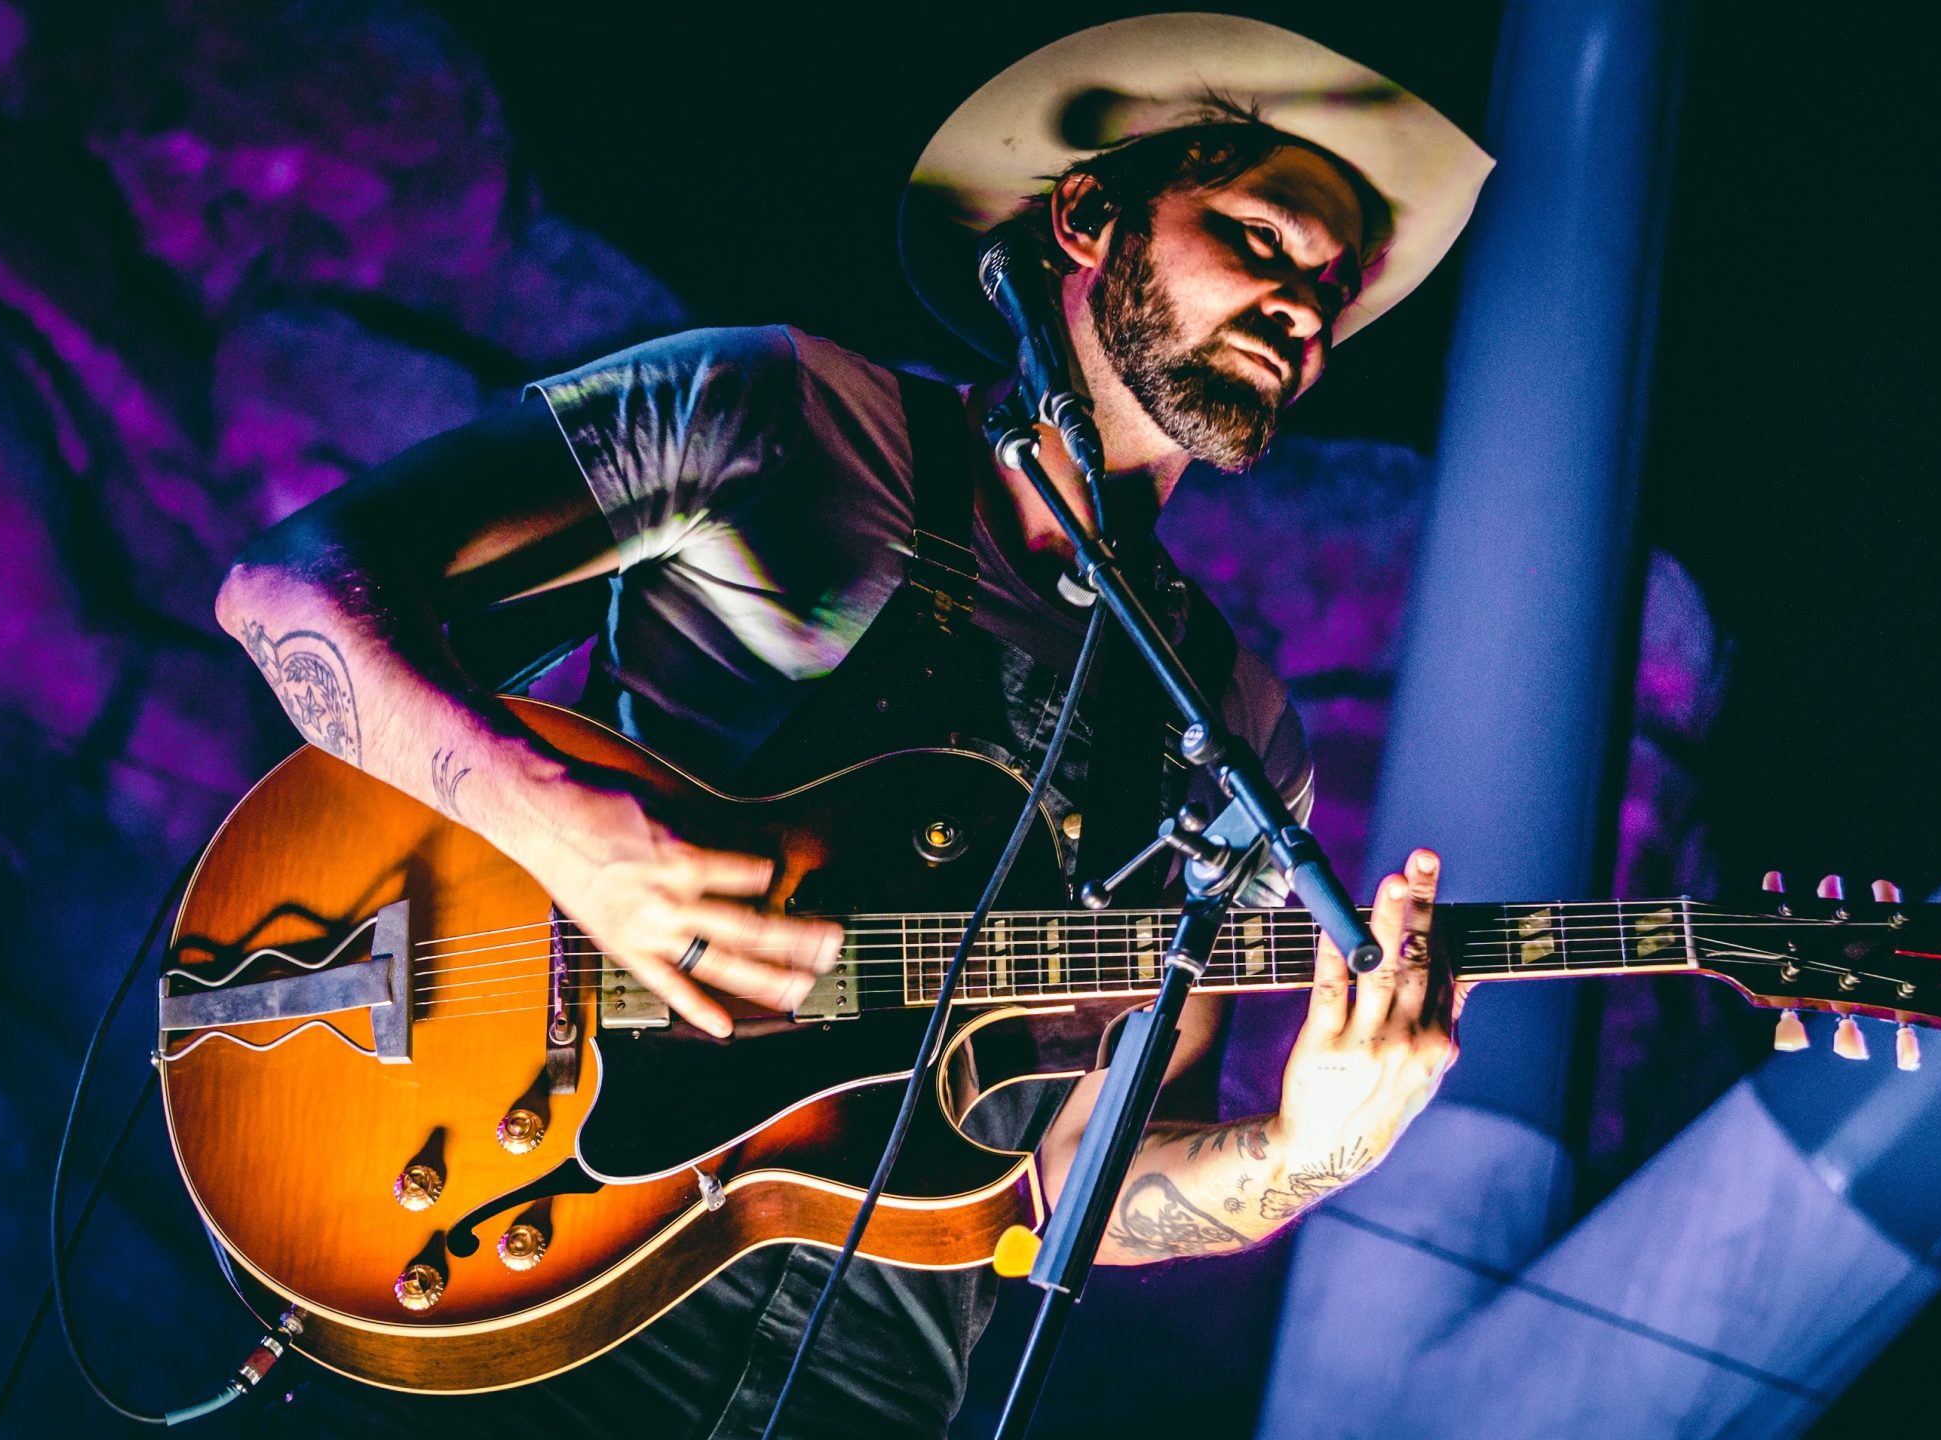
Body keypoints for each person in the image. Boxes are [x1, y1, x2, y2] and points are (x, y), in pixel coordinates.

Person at [215, 14, 1492, 1437]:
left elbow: (1086, 1180)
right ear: (1086, 216)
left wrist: (1302, 1150)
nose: (1306, 313)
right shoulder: (790, 413)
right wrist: (553, 829)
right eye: (1260, 240)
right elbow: (291, 589)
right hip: (517, 1273)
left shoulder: (1245, 736)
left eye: (1331, 292)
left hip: (863, 1388)